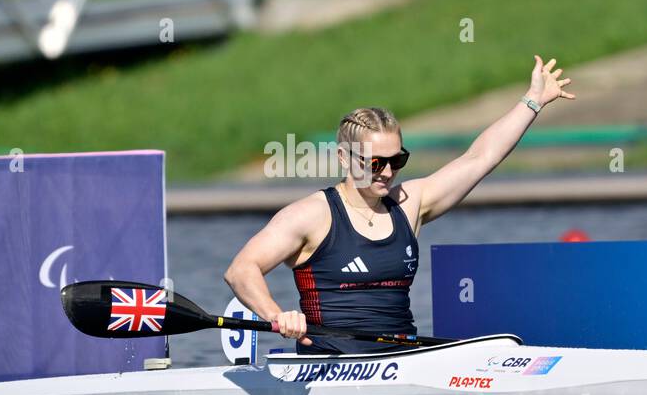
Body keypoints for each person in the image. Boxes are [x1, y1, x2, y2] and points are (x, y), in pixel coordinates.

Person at [224, 55, 574, 353]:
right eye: (375, 162)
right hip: (329, 369)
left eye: (398, 160)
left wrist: (533, 101)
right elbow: (241, 270)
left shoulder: (409, 204)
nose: (388, 172)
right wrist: (276, 315)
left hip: (405, 360)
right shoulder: (311, 215)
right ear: (344, 159)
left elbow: (479, 158)